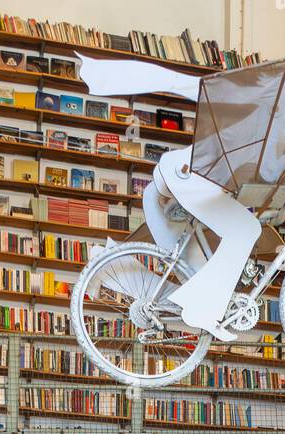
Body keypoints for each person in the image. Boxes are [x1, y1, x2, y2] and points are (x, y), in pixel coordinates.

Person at [76, 53, 262, 341]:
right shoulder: (238, 112)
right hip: (183, 181)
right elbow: (178, 83)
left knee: (198, 282)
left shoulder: (240, 122)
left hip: (165, 192)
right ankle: (204, 312)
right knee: (247, 229)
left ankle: (112, 266)